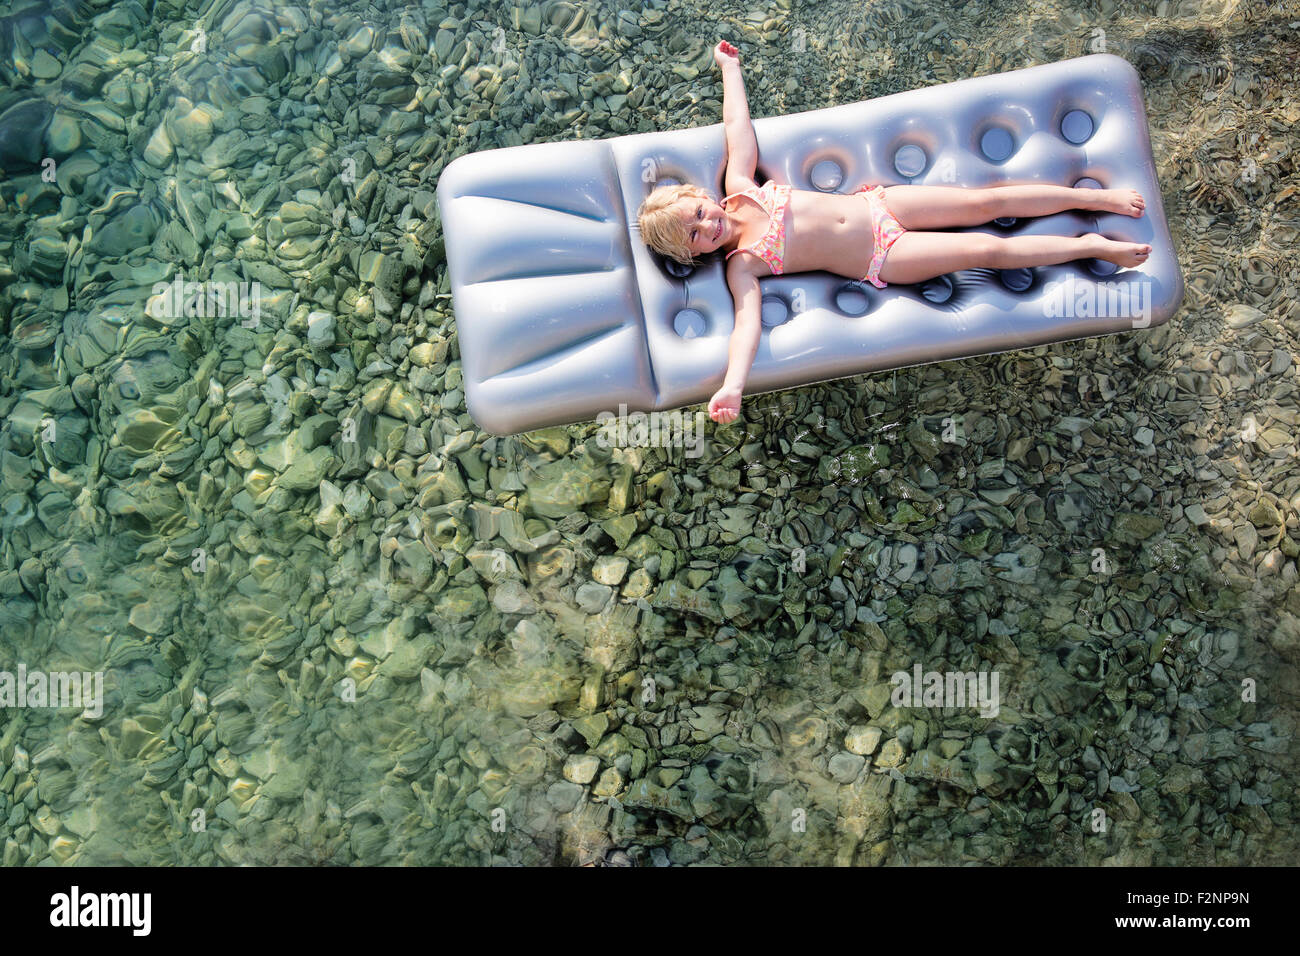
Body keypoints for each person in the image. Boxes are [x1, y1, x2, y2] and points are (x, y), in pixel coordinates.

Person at [635, 40, 1151, 425]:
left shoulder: (740, 185)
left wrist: (731, 68)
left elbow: (737, 128)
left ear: (699, 196)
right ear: (695, 254)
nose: (708, 225)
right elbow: (746, 327)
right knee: (988, 248)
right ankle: (1086, 246)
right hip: (884, 254)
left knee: (986, 201)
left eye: (697, 213)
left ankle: (1092, 198)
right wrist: (733, 386)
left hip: (878, 203)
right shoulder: (742, 263)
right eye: (697, 236)